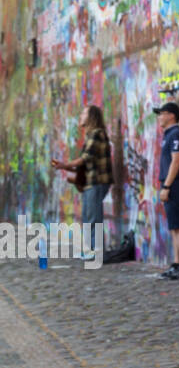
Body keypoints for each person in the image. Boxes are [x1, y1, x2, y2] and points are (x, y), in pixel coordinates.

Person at [52, 105, 113, 259]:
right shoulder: (90, 135)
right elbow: (87, 164)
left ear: (91, 116)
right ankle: (89, 250)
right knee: (87, 217)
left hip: (97, 182)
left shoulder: (97, 134)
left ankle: (96, 251)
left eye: (84, 113)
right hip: (89, 182)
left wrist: (65, 165)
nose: (81, 115)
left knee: (93, 217)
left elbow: (86, 158)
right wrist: (65, 167)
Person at [153, 102, 179, 280]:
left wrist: (167, 186)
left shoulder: (176, 134)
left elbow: (177, 161)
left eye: (162, 113)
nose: (159, 117)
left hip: (176, 184)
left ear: (171, 115)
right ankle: (177, 263)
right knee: (174, 227)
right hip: (171, 184)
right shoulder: (168, 135)